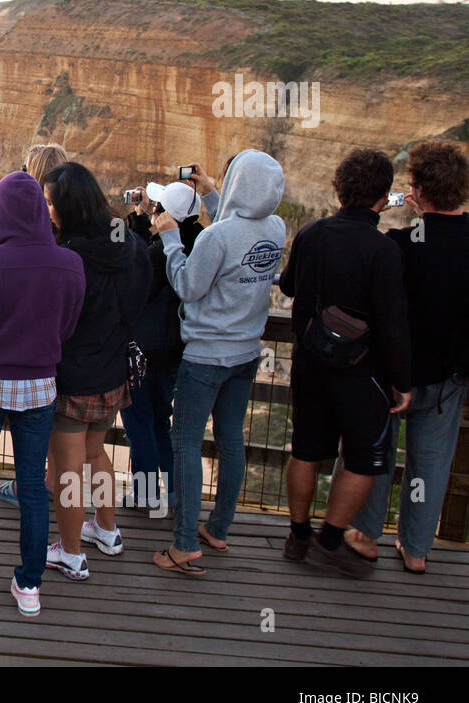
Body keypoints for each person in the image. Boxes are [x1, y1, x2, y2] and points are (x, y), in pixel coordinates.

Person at [0, 171, 85, 616]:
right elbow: (66, 329)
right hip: (39, 387)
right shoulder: (70, 264)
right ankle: (29, 586)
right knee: (31, 488)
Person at [150, 150, 285, 576]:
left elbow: (188, 286)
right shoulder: (276, 228)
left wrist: (171, 238)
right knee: (230, 441)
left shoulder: (215, 238)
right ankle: (219, 527)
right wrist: (212, 195)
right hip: (246, 353)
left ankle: (185, 543)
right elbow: (235, 226)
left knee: (186, 443)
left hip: (206, 356)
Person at [279, 148, 411, 577]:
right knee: (362, 458)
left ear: (339, 189)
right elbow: (392, 324)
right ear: (382, 197)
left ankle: (298, 536)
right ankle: (330, 541)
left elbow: (288, 284)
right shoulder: (385, 249)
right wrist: (401, 382)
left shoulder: (313, 234)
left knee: (305, 450)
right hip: (361, 372)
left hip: (310, 363)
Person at [345, 141, 469, 573]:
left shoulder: (399, 244)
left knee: (377, 453)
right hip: (449, 376)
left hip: (392, 371)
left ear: (417, 190)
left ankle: (366, 536)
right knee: (430, 463)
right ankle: (416, 549)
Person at [42, 162, 150, 580]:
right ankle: (107, 529)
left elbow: (59, 319)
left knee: (68, 466)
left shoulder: (69, 258)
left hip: (74, 376)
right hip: (113, 372)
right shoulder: (129, 244)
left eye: (52, 203)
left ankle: (70, 553)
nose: (48, 211)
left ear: (70, 206)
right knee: (96, 453)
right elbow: (140, 298)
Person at [0, 142, 69, 506]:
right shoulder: (67, 226)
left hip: (26, 345)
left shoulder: (24, 218)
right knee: (57, 421)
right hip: (61, 341)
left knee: (31, 421)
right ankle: (50, 483)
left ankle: (30, 485)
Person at [120, 180, 204, 511]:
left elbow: (132, 274)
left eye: (157, 207)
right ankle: (170, 493)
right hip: (174, 353)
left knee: (139, 426)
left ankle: (143, 494)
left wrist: (139, 225)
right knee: (161, 424)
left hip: (143, 355)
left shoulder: (156, 256)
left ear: (166, 215)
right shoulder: (198, 246)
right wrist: (142, 218)